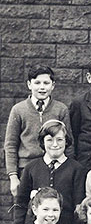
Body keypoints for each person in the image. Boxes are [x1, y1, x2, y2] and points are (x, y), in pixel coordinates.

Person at [4, 65, 73, 198]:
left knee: (52, 207)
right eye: (37, 83)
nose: (42, 87)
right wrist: (13, 176)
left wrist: (68, 169)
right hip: (26, 169)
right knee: (25, 208)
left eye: (46, 83)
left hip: (54, 167)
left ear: (53, 85)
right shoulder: (18, 110)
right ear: (29, 84)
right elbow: (11, 145)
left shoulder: (61, 109)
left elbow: (68, 142)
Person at [14, 119, 86, 224]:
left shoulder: (77, 169)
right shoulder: (31, 168)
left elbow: (78, 206)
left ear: (66, 141)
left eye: (59, 140)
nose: (55, 144)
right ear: (42, 142)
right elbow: (21, 203)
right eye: (49, 140)